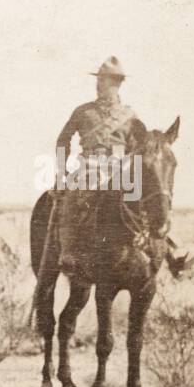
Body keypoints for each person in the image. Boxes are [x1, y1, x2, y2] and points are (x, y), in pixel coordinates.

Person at [50, 56, 138, 271]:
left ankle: (170, 250)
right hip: (89, 164)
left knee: (146, 198)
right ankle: (68, 251)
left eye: (104, 81)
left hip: (121, 167)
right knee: (73, 196)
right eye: (99, 80)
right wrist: (62, 170)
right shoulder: (83, 111)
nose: (99, 85)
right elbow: (63, 139)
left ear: (117, 84)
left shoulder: (130, 116)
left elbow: (136, 146)